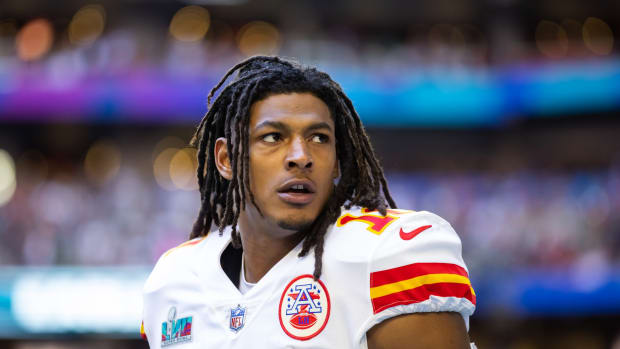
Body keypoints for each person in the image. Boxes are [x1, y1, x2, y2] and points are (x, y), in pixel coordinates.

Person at [141, 56, 476, 348]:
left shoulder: (390, 253)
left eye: (319, 138)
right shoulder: (174, 278)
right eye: (273, 137)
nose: (301, 157)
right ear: (226, 159)